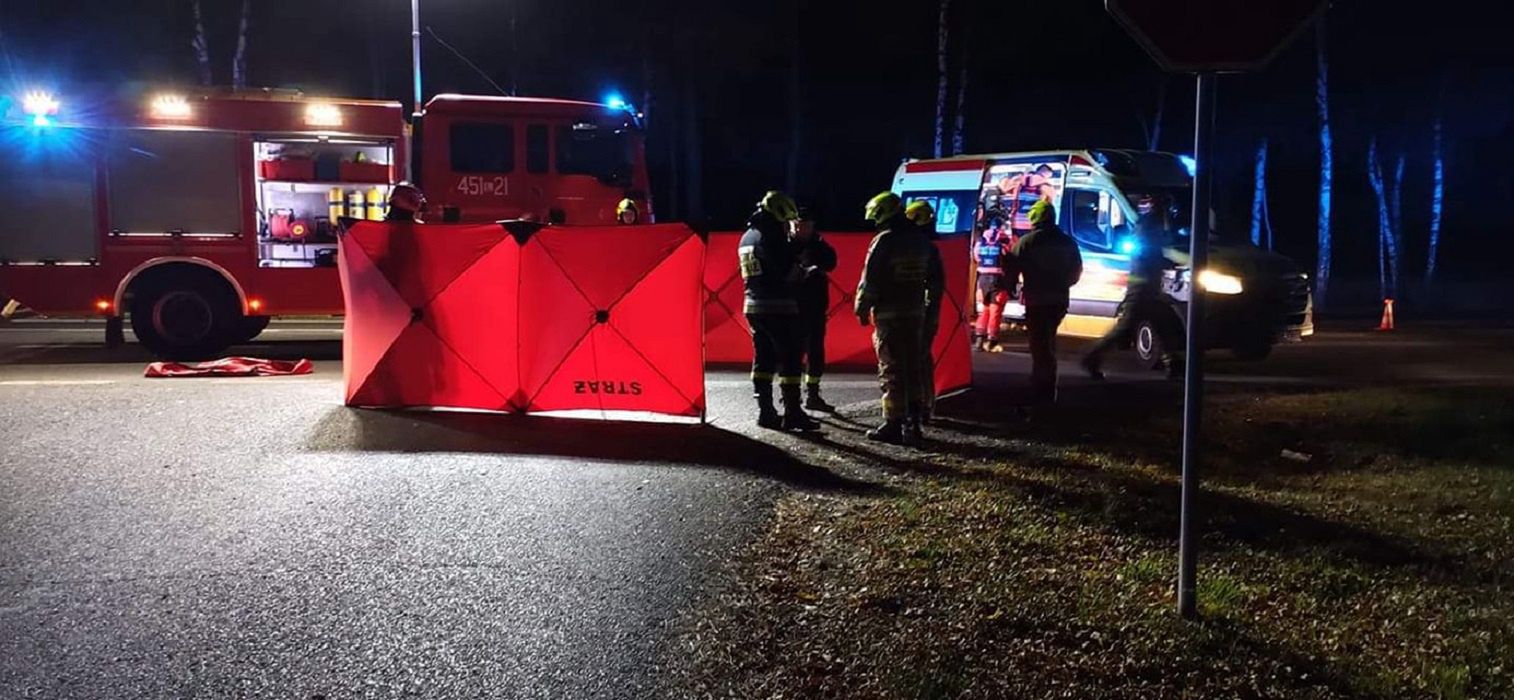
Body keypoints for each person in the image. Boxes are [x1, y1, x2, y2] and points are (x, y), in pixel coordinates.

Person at [856, 192, 943, 446]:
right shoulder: (923, 242)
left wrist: (862, 308)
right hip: (915, 314)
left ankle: (893, 424)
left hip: (888, 315)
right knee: (913, 368)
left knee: (892, 369)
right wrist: (929, 311)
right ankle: (914, 423)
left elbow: (870, 280)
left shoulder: (883, 241)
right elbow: (935, 282)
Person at [740, 191, 820, 432]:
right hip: (779, 307)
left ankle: (766, 411)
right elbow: (786, 273)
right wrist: (806, 271)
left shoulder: (747, 237)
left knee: (763, 358)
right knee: (790, 361)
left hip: (753, 305)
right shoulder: (771, 236)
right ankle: (793, 413)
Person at [1081, 196, 1186, 379]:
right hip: (1142, 287)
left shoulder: (1150, 226)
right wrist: (1168, 263)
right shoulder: (1148, 227)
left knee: (1162, 325)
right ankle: (1092, 358)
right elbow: (1146, 254)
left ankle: (1174, 364)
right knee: (1125, 328)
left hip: (1148, 286)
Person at [1007, 199, 1082, 408]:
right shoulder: (1067, 242)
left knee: (1040, 347)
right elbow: (1076, 272)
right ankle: (1046, 387)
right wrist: (1062, 284)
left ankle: (1042, 391)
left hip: (1037, 301)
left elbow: (1012, 268)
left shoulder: (1027, 242)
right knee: (1048, 342)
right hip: (1058, 301)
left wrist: (1011, 286)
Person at [792, 209, 839, 412]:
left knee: (815, 352)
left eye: (806, 225)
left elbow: (831, 262)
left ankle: (812, 393)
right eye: (799, 224)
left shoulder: (818, 245)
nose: (802, 228)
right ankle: (791, 397)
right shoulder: (787, 245)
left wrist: (815, 265)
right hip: (792, 308)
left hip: (815, 307)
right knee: (792, 353)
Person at [905, 200, 943, 421]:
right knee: (922, 357)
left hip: (920, 311)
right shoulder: (931, 246)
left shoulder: (921, 246)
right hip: (927, 311)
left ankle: (920, 407)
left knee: (916, 359)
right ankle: (927, 404)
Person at [972, 219, 1013, 352]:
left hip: (982, 280)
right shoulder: (1003, 239)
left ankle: (979, 341)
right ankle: (991, 341)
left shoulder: (980, 241)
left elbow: (976, 258)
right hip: (998, 280)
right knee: (996, 311)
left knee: (984, 310)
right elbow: (1009, 255)